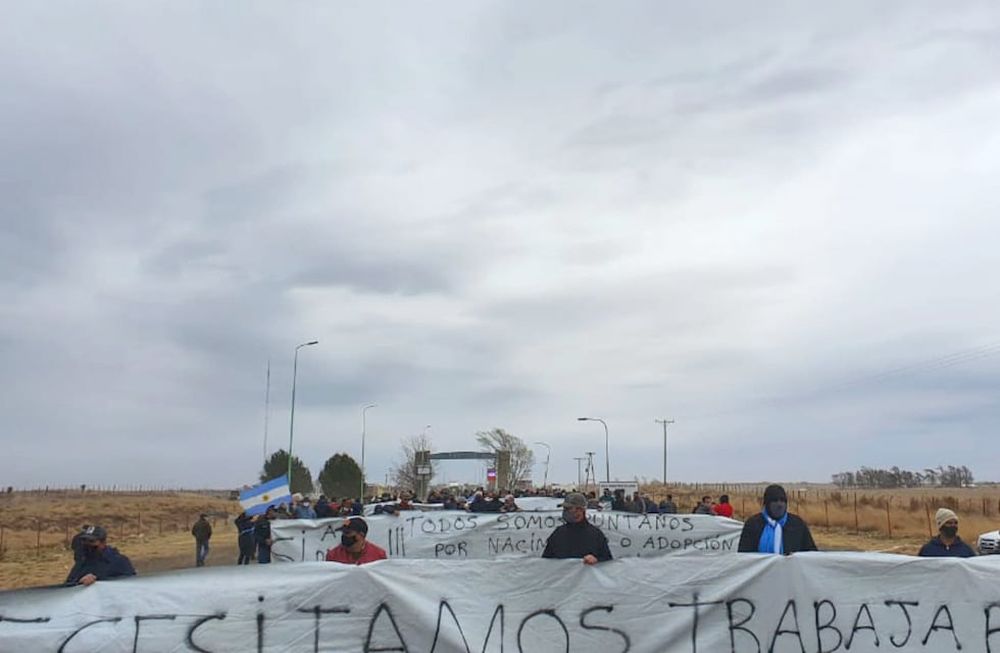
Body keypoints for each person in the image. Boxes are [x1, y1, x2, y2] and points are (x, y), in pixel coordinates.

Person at [738, 484, 817, 554]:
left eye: (782, 501)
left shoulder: (797, 524)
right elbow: (744, 558)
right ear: (767, 504)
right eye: (775, 501)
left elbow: (811, 555)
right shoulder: (753, 524)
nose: (779, 505)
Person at [541, 493, 612, 565]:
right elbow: (546, 562)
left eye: (568, 509)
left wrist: (596, 560)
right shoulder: (558, 533)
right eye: (564, 509)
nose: (565, 512)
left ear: (580, 510)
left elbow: (608, 562)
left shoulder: (596, 535)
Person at [65, 526, 136, 586]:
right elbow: (68, 586)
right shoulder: (82, 562)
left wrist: (98, 580)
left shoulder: (119, 561)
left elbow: (131, 585)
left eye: (91, 541)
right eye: (84, 540)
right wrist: (79, 583)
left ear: (103, 543)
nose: (87, 544)